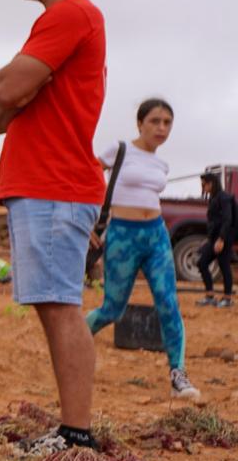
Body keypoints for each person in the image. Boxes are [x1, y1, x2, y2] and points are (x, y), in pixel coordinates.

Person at [0, 0, 106, 455]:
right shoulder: (60, 22)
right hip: (44, 183)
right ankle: (70, 430)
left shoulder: (71, 15)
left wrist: (8, 88)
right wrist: (10, 94)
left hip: (56, 183)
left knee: (60, 306)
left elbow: (4, 89)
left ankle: (76, 435)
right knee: (53, 304)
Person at [83, 100, 198, 400]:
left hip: (156, 235)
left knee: (168, 303)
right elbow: (88, 174)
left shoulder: (162, 164)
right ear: (140, 123)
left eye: (167, 122)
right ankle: (71, 345)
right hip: (122, 235)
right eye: (155, 121)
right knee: (112, 308)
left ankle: (178, 375)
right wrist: (91, 218)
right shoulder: (119, 150)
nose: (161, 128)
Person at [195, 172, 234, 307]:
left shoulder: (224, 198)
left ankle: (228, 298)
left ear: (211, 183)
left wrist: (221, 239)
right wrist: (210, 239)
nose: (203, 186)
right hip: (215, 239)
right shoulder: (214, 198)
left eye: (204, 184)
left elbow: (227, 219)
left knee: (224, 266)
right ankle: (210, 296)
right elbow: (214, 222)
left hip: (225, 238)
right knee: (202, 262)